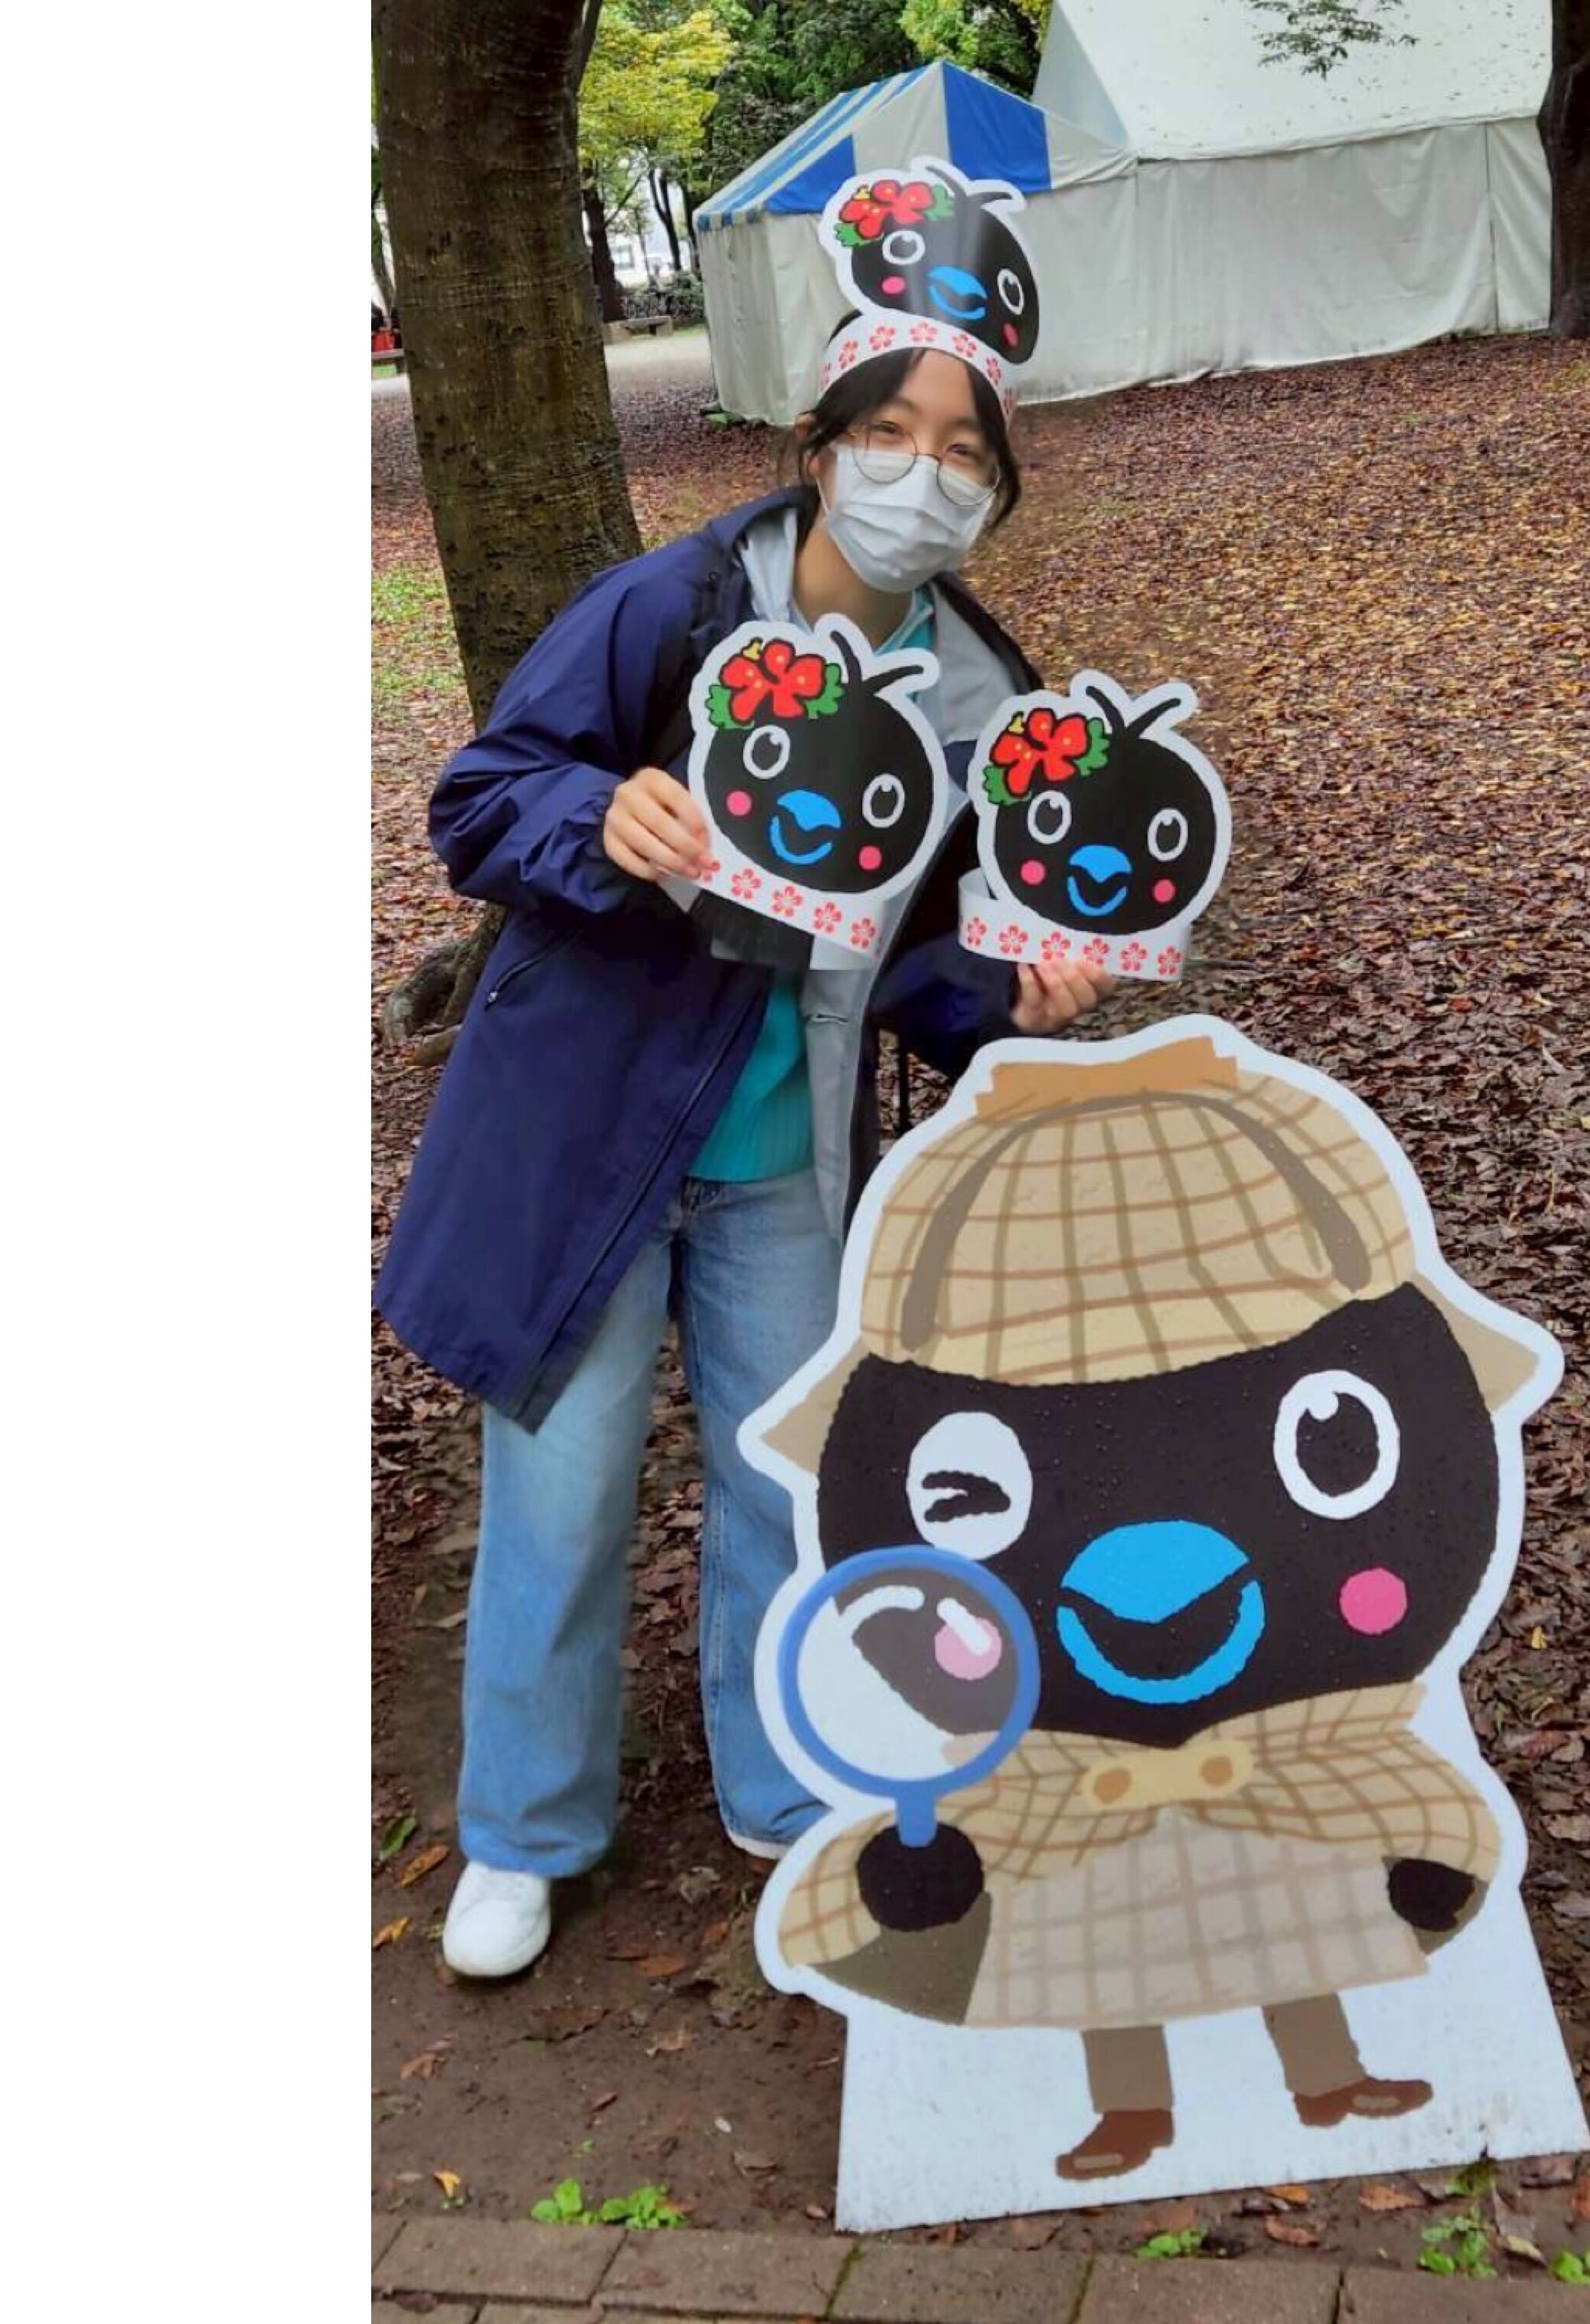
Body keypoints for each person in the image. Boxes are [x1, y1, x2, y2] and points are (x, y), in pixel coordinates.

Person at [375, 335, 1115, 1977]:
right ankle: (522, 1829)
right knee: (561, 1490)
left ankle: (783, 1783)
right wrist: (599, 819)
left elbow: (928, 952)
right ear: (819, 443)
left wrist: (1018, 992)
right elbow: (484, 796)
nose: (924, 474)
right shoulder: (676, 607)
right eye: (893, 432)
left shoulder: (984, 701)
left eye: (966, 453)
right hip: (589, 1141)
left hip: (787, 1158)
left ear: (997, 491)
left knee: (788, 1479)